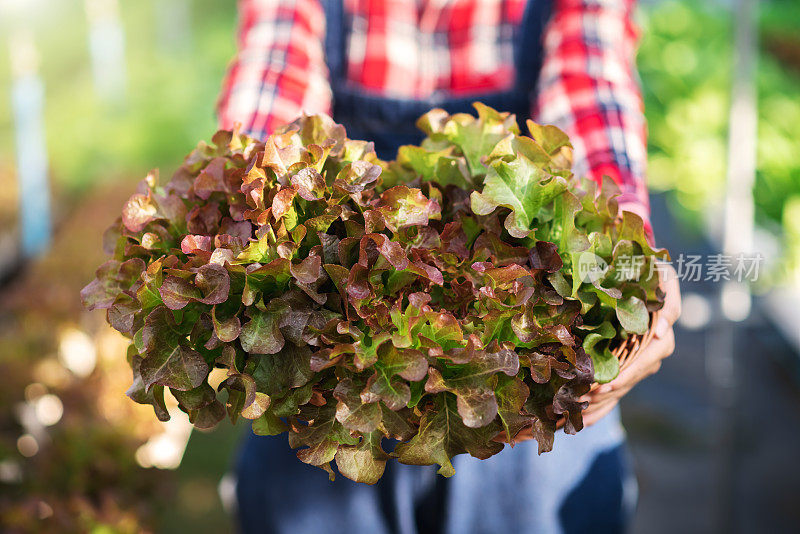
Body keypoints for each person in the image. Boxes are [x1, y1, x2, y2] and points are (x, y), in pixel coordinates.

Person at [217, 1, 682, 532]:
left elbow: (591, 93)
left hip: (515, 404)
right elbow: (275, 77)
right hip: (332, 386)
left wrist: (622, 252)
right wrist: (258, 206)